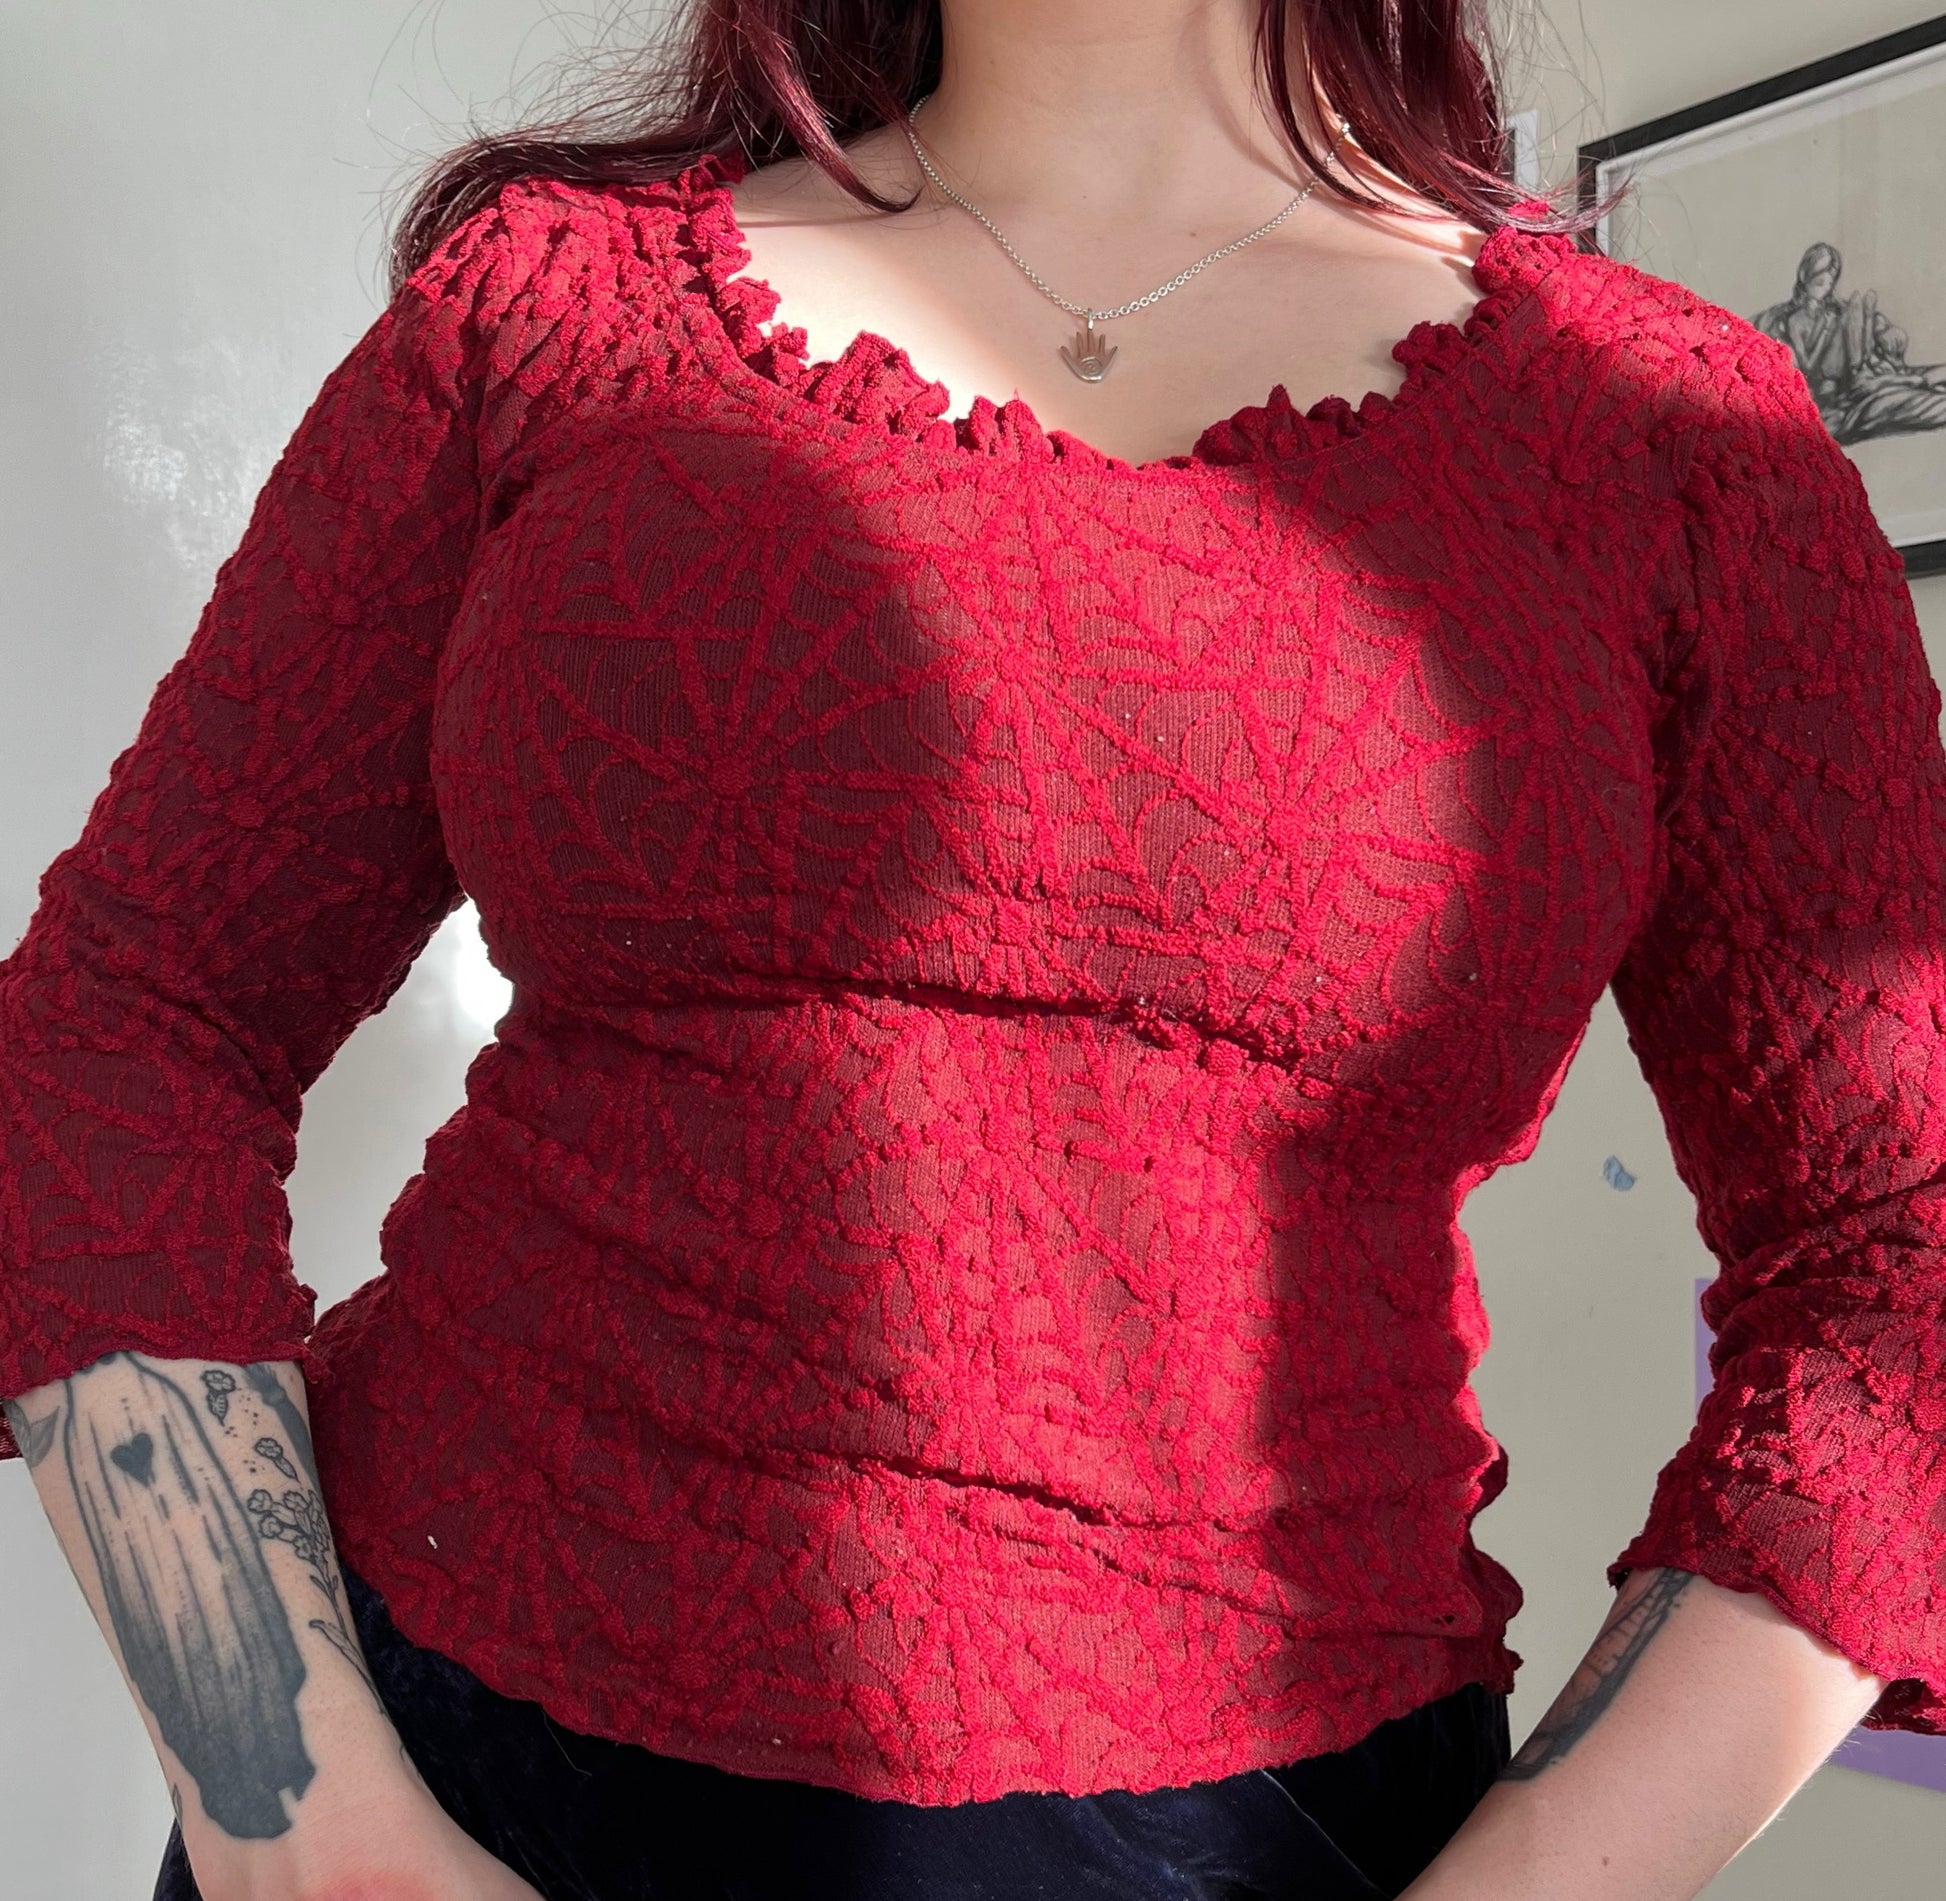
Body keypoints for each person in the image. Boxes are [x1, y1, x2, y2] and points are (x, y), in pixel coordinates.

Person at [2, 2, 1941, 1897]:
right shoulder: (544, 311)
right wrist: (301, 1824)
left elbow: (1902, 1252)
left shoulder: (1676, 441)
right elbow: (124, 1021)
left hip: (1271, 1825)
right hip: (427, 1761)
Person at [1753, 240, 1946, 445]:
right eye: (1820, 283)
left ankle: (1893, 377)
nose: (1825, 290)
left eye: (1829, 284)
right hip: (1828, 389)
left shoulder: (1836, 311)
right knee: (1894, 392)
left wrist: (1887, 332)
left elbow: (1869, 325)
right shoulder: (1793, 320)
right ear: (1805, 279)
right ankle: (1893, 379)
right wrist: (1826, 331)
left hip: (1857, 372)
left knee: (1856, 316)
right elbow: (1808, 367)